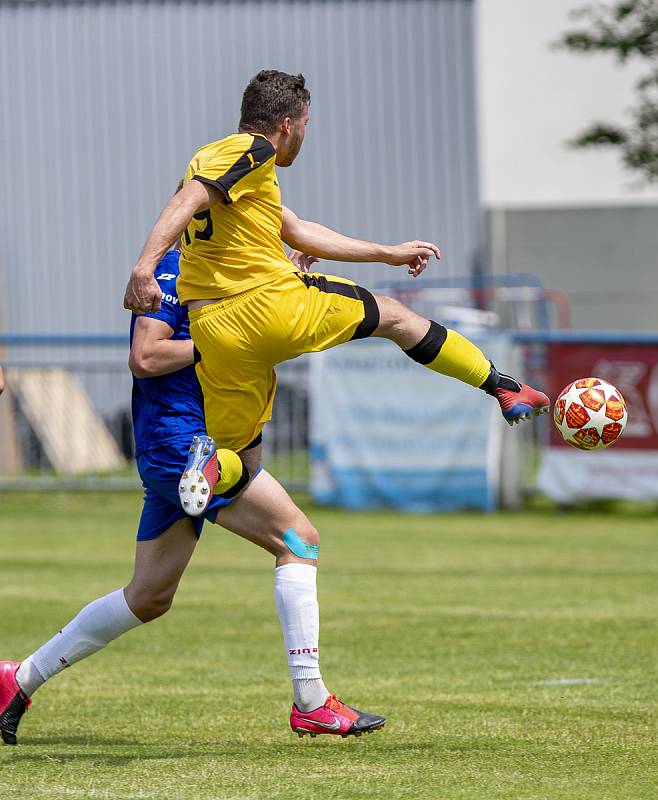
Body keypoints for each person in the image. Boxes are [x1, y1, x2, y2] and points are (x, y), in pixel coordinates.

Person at [0, 249, 384, 746]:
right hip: (183, 447)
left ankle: (19, 679)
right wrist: (224, 338)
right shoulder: (171, 270)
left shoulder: (232, 267)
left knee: (149, 596)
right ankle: (311, 700)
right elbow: (146, 357)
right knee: (298, 540)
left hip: (202, 446)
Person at [122, 70, 551, 500]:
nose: (305, 135)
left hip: (213, 331)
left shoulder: (223, 166)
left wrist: (388, 252)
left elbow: (298, 230)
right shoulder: (251, 150)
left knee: (244, 463)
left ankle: (208, 467)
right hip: (266, 305)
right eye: (306, 124)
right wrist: (145, 266)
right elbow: (187, 199)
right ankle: (501, 385)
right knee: (395, 316)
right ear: (288, 124)